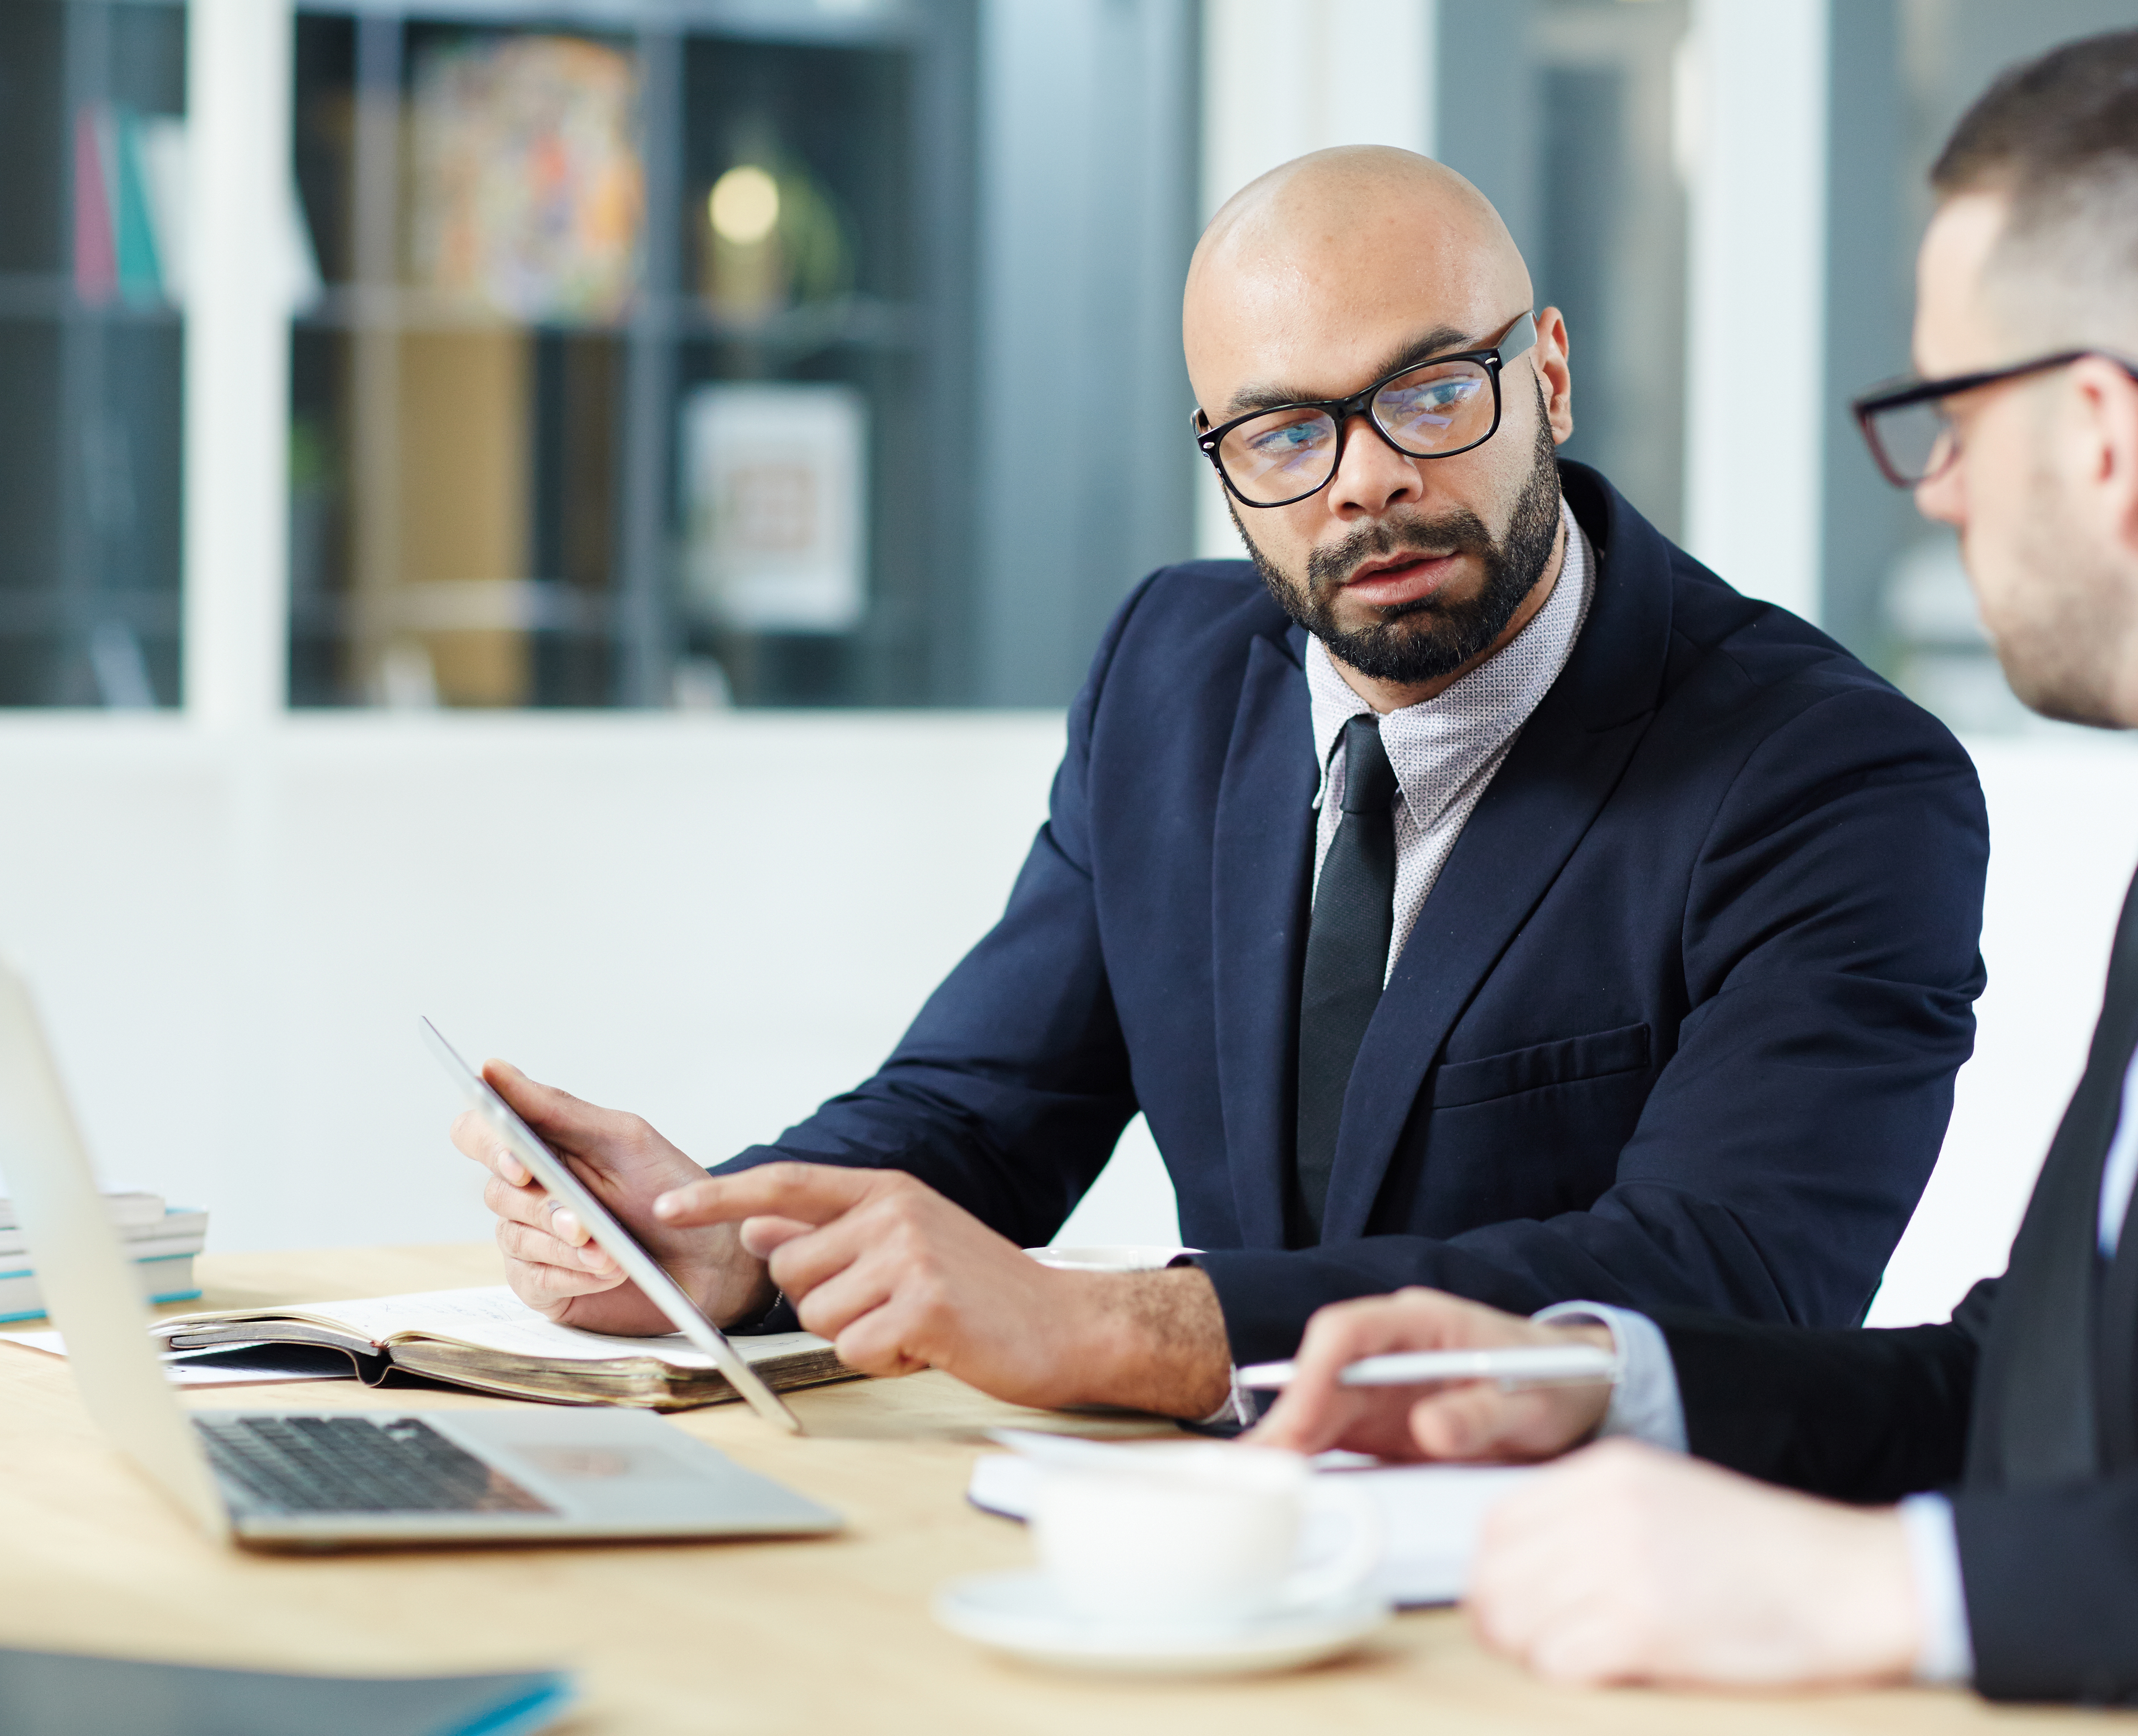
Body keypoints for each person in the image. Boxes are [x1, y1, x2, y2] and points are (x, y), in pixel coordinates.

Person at [1253, 21, 2138, 1707]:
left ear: (2102, 432)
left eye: (1948, 412)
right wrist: (1610, 1383)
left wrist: (1904, 1590)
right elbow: (2046, 1398)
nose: (1936, 487)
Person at [454, 147, 1987, 1422]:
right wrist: (724, 1240)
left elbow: (1726, 1278)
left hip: (1593, 1591)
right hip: (1212, 1563)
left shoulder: (1833, 778)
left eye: (1433, 392)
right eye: (1283, 433)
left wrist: (1130, 1329)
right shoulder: (1168, 677)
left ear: (1551, 378)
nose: (1363, 480)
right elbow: (987, 1113)